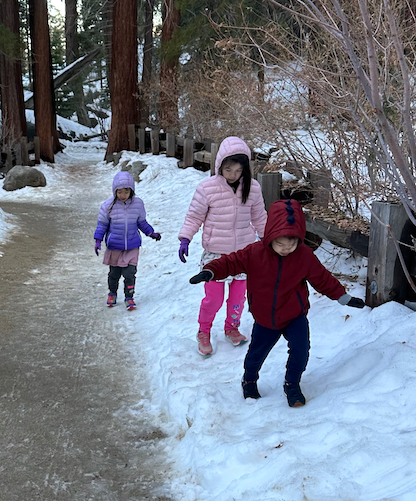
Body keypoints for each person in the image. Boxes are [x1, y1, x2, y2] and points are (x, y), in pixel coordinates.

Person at [190, 197, 365, 406]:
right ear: (270, 236)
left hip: (294, 315)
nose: (285, 249)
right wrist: (211, 271)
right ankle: (249, 380)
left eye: (291, 244)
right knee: (256, 354)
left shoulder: (304, 256)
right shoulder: (255, 253)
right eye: (280, 243)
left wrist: (343, 297)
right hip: (265, 317)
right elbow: (230, 262)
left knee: (301, 350)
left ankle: (292, 384)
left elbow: (322, 279)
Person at [177, 136, 267, 357]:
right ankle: (204, 331)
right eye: (228, 170)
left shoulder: (253, 188)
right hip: (216, 255)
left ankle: (232, 327)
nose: (233, 175)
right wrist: (185, 238)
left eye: (238, 170)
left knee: (238, 298)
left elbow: (260, 217)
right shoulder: (207, 188)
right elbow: (194, 216)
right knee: (214, 299)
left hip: (243, 255)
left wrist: (268, 241)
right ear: (219, 166)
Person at [94, 170, 161, 310]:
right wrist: (98, 240)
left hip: (132, 246)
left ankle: (129, 297)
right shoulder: (108, 206)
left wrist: (151, 233)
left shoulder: (138, 204)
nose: (123, 195)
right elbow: (102, 225)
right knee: (114, 274)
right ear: (115, 191)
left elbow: (142, 222)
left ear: (131, 190)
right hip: (115, 246)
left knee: (130, 274)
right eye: (119, 192)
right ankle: (112, 293)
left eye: (126, 191)